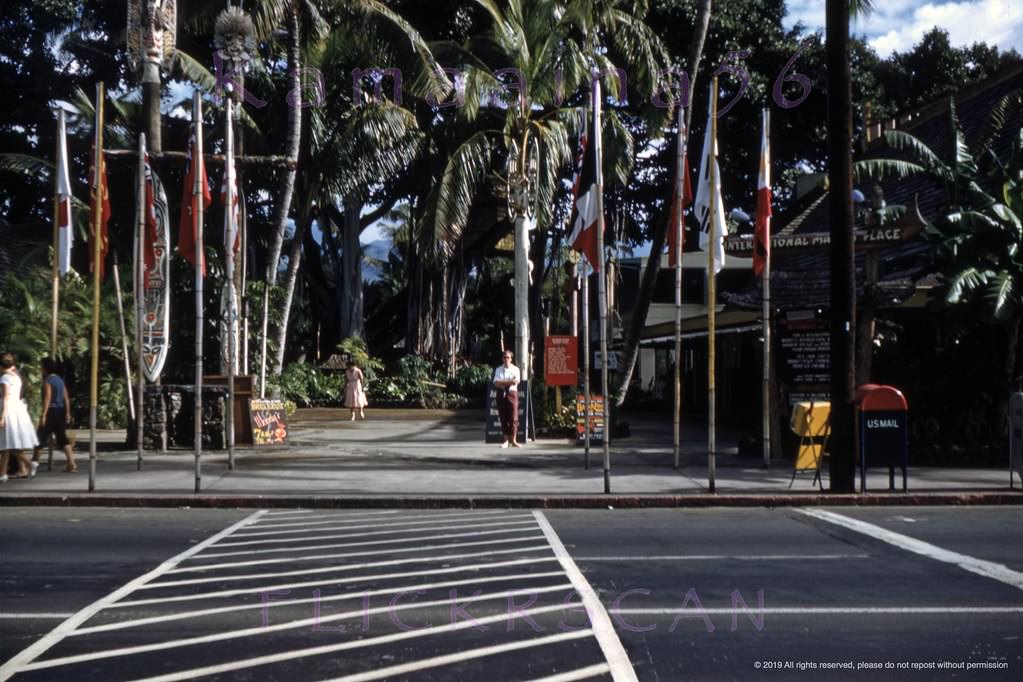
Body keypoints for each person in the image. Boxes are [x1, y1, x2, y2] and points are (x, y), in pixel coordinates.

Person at [32, 357, 76, 473]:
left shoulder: (48, 381)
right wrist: (67, 412)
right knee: (62, 437)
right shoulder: (60, 380)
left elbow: (47, 398)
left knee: (39, 438)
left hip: (51, 410)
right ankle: (71, 462)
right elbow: (66, 397)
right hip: (61, 410)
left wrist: (44, 414)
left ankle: (33, 464)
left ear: (45, 368)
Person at [0, 352, 39, 482]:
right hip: (17, 409)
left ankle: (29, 463)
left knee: (8, 444)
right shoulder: (16, 377)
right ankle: (3, 473)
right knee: (5, 444)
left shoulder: (5, 378)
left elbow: (5, 398)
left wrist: (2, 416)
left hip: (8, 411)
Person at [493, 350, 522, 448]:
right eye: (504, 357)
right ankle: (505, 440)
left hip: (512, 393)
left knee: (514, 417)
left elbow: (516, 381)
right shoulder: (498, 369)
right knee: (503, 417)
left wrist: (504, 382)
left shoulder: (516, 369)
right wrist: (508, 381)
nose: (506, 359)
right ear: (502, 359)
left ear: (511, 359)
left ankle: (513, 440)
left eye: (508, 357)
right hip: (501, 393)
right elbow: (496, 382)